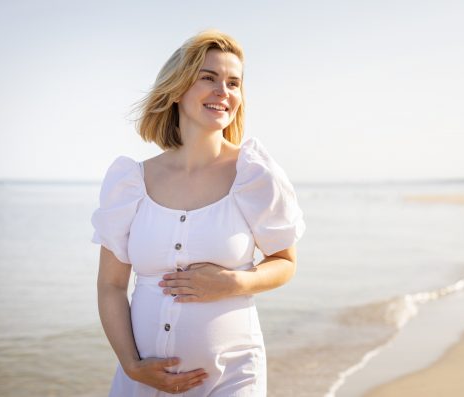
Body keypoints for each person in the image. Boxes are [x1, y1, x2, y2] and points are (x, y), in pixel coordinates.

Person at [91, 29, 306, 396]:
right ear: (177, 89)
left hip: (232, 377)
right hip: (140, 383)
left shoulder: (254, 174)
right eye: (209, 78)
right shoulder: (131, 181)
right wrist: (131, 365)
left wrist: (235, 282)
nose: (224, 91)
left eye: (234, 82)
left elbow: (284, 262)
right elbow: (111, 285)